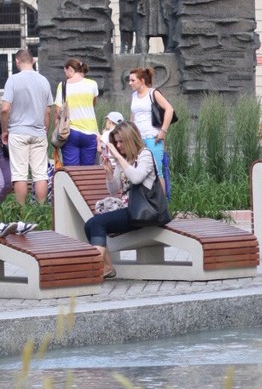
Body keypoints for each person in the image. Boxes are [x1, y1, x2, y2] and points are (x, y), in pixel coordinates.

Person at [84, 121, 169, 279]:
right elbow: (114, 189)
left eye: (121, 141)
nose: (118, 145)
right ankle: (107, 267)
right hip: (130, 210)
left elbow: (136, 178)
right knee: (89, 225)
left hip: (145, 212)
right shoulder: (124, 159)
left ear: (130, 139)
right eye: (116, 142)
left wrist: (117, 157)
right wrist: (109, 173)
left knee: (97, 223)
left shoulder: (145, 155)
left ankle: (95, 266)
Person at [0, 47, 53, 205]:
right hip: (39, 133)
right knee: (40, 174)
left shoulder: (13, 80)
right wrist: (45, 129)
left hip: (18, 132)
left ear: (17, 61)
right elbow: (48, 110)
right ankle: (42, 210)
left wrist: (4, 131)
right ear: (33, 60)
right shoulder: (43, 80)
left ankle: (23, 214)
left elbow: (5, 108)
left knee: (20, 175)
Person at [128, 67, 174, 179]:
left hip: (153, 137)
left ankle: (160, 196)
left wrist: (163, 131)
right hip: (138, 139)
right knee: (137, 170)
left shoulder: (153, 93)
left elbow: (169, 109)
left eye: (133, 80)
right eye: (129, 80)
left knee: (157, 172)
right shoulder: (134, 96)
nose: (130, 83)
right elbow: (133, 116)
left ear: (142, 80)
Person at [54, 58, 99, 167]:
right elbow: (93, 103)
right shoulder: (92, 84)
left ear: (70, 69)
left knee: (72, 172)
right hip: (90, 131)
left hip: (70, 131)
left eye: (65, 72)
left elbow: (58, 110)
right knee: (88, 171)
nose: (65, 75)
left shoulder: (63, 85)